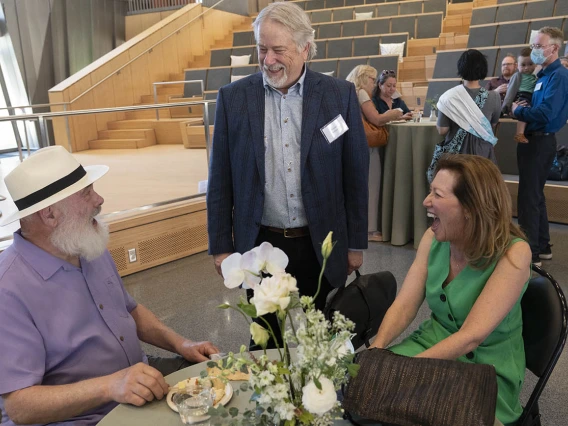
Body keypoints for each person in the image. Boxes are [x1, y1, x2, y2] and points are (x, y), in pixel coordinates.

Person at [0, 146, 219, 426]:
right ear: (50, 215)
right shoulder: (8, 289)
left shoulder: (85, 244)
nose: (99, 199)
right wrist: (109, 386)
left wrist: (182, 343)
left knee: (223, 386)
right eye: (86, 194)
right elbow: (19, 406)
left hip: (134, 381)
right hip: (83, 417)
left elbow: (129, 310)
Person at [206, 2, 369, 348]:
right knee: (265, 341)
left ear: (304, 47)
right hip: (261, 244)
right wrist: (221, 247)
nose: (268, 60)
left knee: (321, 341)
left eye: (278, 50)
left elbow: (355, 175)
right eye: (262, 49)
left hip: (319, 243)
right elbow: (220, 180)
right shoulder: (233, 99)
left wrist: (355, 243)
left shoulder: (338, 96)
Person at [370, 154, 532, 426]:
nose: (426, 201)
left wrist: (404, 373)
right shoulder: (434, 237)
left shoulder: (515, 253)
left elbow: (471, 337)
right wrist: (377, 348)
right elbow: (405, 304)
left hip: (486, 367)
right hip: (433, 345)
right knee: (371, 390)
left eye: (437, 194)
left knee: (410, 403)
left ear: (470, 207)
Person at [512, 26, 568, 266]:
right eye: (533, 45)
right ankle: (542, 246)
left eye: (538, 46)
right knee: (535, 196)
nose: (533, 50)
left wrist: (518, 111)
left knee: (528, 198)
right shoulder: (542, 74)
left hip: (541, 140)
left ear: (553, 48)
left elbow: (546, 113)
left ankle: (530, 253)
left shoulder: (559, 76)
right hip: (533, 140)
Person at [345, 65, 403, 243]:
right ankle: (370, 230)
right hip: (367, 145)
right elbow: (376, 119)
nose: (374, 84)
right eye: (372, 79)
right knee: (372, 187)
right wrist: (394, 114)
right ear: (363, 78)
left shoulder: (349, 91)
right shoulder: (361, 92)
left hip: (354, 143)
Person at [427, 49, 501, 182]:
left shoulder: (449, 97)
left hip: (458, 154)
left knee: (458, 190)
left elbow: (442, 130)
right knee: (481, 189)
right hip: (483, 154)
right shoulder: (494, 96)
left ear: (461, 69)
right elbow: (492, 124)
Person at [502, 47, 537, 143]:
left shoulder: (534, 77)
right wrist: (507, 106)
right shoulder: (517, 76)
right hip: (522, 96)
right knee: (523, 109)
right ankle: (519, 133)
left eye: (530, 64)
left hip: (531, 98)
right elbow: (511, 91)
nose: (526, 68)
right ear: (517, 66)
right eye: (523, 65)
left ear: (535, 64)